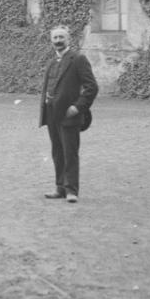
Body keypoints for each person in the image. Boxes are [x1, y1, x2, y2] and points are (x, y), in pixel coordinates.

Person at [39, 24, 98, 203]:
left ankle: (72, 190)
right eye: (55, 38)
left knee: (70, 153)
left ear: (68, 39)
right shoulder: (51, 62)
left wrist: (77, 107)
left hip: (69, 116)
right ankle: (60, 188)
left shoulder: (78, 59)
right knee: (57, 152)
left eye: (61, 38)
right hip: (51, 115)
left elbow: (92, 87)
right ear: (51, 41)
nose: (58, 41)